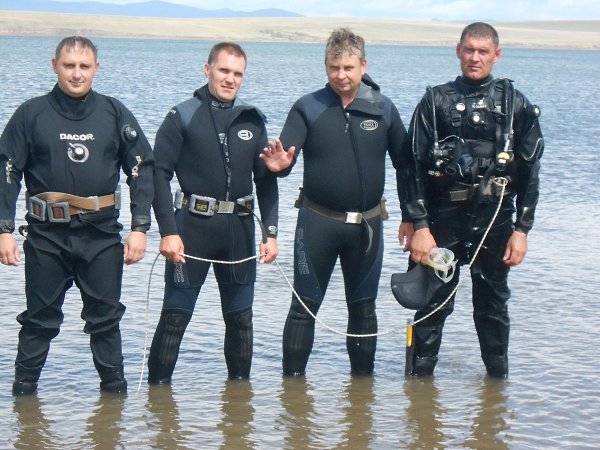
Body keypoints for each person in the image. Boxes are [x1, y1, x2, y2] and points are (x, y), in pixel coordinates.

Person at [0, 36, 154, 395]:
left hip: (100, 236)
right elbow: (7, 171)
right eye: (69, 65)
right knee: (39, 321)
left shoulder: (113, 113)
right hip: (46, 237)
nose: (76, 74)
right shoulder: (31, 114)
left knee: (106, 323)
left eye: (84, 66)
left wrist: (140, 227)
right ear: (55, 65)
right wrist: (4, 229)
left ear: (96, 68)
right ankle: (23, 403)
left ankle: (114, 405)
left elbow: (142, 170)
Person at [261, 28, 409, 376]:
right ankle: (291, 392)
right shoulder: (308, 107)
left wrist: (412, 218)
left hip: (367, 226)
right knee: (303, 308)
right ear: (326, 65)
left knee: (364, 310)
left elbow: (406, 166)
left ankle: (362, 393)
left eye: (348, 68)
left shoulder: (383, 108)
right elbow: (285, 157)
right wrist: (280, 166)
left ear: (363, 65)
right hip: (318, 223)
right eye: (333, 68)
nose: (340, 75)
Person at [401, 22, 544, 378]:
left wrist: (522, 229)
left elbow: (530, 171)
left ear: (497, 55)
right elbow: (411, 166)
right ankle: (418, 391)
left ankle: (496, 387)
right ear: (458, 51)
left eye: (483, 51)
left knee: (493, 305)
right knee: (432, 302)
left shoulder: (515, 104)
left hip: (495, 217)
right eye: (469, 50)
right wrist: (419, 224)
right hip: (443, 218)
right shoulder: (435, 102)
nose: (475, 57)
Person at [148, 42, 279, 384]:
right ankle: (157, 400)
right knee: (175, 318)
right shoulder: (182, 115)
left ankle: (239, 404)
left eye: (237, 74)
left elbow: (266, 181)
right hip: (192, 230)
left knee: (241, 320)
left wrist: (271, 233)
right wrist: (167, 231)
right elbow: (157, 175)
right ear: (207, 70)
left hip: (239, 233)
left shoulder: (252, 120)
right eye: (224, 71)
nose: (230, 79)